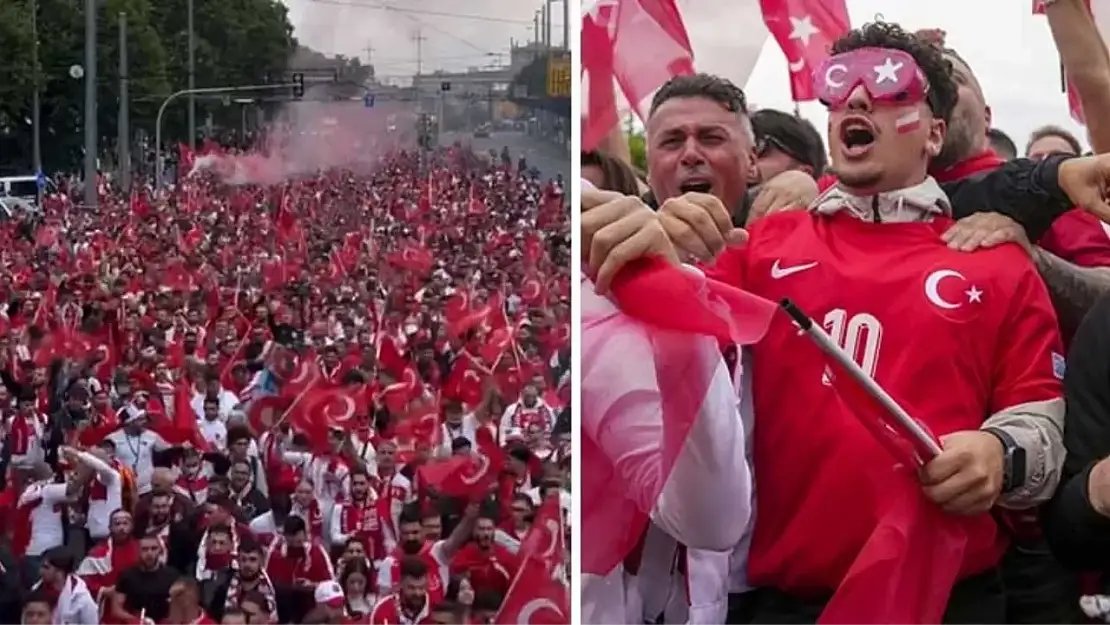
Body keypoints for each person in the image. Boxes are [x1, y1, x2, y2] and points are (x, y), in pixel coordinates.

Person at [582, 22, 1068, 625]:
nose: (858, 100)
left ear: (935, 132)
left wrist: (999, 452)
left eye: (892, 88)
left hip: (946, 597)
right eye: (840, 86)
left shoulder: (996, 260)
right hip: (788, 602)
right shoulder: (756, 247)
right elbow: (656, 344)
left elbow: (1042, 420)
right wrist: (655, 245)